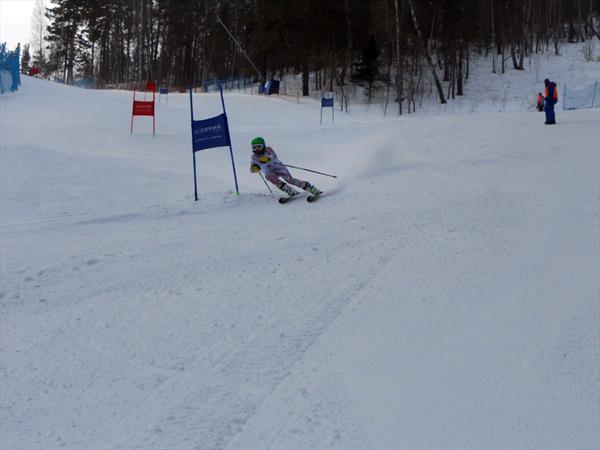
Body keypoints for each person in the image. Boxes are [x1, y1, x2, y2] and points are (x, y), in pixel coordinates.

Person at [249, 136, 321, 198]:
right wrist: (254, 168)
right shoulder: (254, 157)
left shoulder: (268, 150)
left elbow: (271, 157)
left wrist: (264, 160)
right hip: (269, 171)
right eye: (254, 148)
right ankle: (289, 190)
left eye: (259, 147)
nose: (257, 149)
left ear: (263, 146)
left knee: (289, 180)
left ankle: (310, 188)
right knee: (269, 177)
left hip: (279, 167)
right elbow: (252, 168)